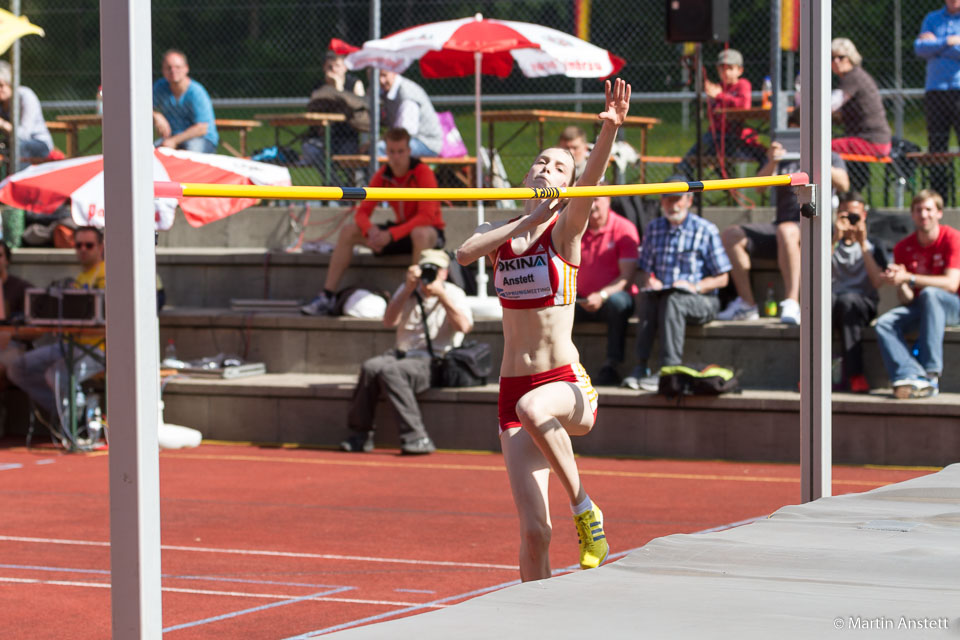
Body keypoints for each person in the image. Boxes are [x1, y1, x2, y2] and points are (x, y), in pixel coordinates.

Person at [456, 78, 631, 581]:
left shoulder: (566, 232)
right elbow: (464, 253)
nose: (548, 169)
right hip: (511, 391)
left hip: (565, 387)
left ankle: (586, 509)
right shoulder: (504, 235)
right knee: (535, 532)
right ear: (527, 173)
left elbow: (591, 181)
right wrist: (528, 216)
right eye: (542, 162)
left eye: (559, 166)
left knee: (535, 407)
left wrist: (608, 130)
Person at [339, 249, 473, 455]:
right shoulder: (407, 289)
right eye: (426, 268)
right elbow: (388, 322)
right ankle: (360, 435)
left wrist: (442, 297)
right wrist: (407, 289)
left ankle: (416, 437)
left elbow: (464, 327)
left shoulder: (454, 293)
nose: (430, 274)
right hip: (402, 354)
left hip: (434, 359)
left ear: (444, 273)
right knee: (371, 367)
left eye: (435, 270)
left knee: (393, 372)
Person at [301, 127, 446, 316]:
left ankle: (416, 295)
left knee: (420, 232)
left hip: (427, 234)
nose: (396, 157)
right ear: (386, 152)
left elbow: (426, 216)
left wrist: (390, 235)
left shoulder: (422, 172)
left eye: (400, 151)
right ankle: (327, 296)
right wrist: (371, 232)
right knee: (349, 231)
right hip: (400, 232)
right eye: (391, 152)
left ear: (409, 151)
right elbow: (362, 214)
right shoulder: (383, 175)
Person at [718, 141, 850, 324]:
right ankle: (747, 304)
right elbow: (759, 187)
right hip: (782, 228)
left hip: (815, 227)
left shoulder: (830, 155)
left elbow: (844, 184)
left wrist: (819, 161)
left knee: (786, 230)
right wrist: (773, 161)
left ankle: (792, 302)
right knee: (731, 235)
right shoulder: (784, 156)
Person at [620, 175, 731, 391]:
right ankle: (641, 367)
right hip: (663, 297)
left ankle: (668, 370)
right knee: (648, 297)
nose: (674, 204)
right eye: (668, 198)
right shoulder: (654, 229)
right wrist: (649, 280)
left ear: (689, 200)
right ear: (661, 201)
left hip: (702, 299)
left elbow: (723, 277)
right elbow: (642, 271)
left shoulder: (705, 229)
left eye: (678, 198)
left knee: (673, 300)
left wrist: (695, 287)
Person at [7, 227, 106, 427]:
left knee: (57, 374)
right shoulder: (79, 279)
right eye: (78, 245)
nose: (83, 250)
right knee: (18, 368)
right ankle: (66, 414)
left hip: (99, 348)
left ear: (101, 247)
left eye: (89, 245)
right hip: (69, 344)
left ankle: (75, 422)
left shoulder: (107, 273)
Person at [875, 190, 960, 399]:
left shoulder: (952, 238)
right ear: (912, 215)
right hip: (921, 308)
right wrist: (900, 282)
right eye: (919, 210)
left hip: (952, 306)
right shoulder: (903, 247)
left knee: (931, 294)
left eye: (929, 209)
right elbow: (907, 299)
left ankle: (931, 374)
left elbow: (950, 284)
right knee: (884, 323)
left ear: (939, 213)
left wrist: (910, 277)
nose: (924, 215)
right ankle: (911, 374)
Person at [575, 193, 639, 386]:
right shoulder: (576, 227)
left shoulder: (624, 228)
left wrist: (601, 296)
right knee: (554, 306)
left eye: (596, 199)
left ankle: (612, 365)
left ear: (608, 200)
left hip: (614, 298)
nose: (592, 205)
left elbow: (626, 277)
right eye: (588, 199)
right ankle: (557, 366)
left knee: (617, 303)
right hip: (582, 299)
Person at [676, 49, 767, 179]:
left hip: (737, 136)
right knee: (689, 161)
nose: (726, 73)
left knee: (765, 154)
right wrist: (713, 97)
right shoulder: (718, 87)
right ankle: (688, 189)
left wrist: (719, 96)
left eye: (730, 68)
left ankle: (761, 182)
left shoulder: (742, 85)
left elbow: (743, 105)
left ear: (740, 70)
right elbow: (713, 116)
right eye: (722, 69)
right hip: (716, 137)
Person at [831, 192, 887, 393]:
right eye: (845, 215)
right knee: (823, 302)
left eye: (855, 215)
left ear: (864, 216)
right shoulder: (826, 241)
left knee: (847, 301)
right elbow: (813, 275)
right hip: (832, 303)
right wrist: (835, 238)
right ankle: (810, 375)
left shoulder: (874, 244)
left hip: (863, 304)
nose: (850, 220)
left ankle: (856, 375)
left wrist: (862, 244)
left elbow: (877, 282)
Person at [915, 0, 960, 199]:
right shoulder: (932, 18)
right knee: (937, 147)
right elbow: (920, 48)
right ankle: (939, 199)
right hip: (935, 90)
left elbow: (928, 47)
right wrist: (950, 41)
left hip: (959, 89)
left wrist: (935, 43)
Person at [830, 38, 892, 159]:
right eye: (832, 58)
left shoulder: (853, 77)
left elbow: (831, 104)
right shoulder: (854, 76)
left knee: (820, 147)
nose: (836, 61)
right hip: (874, 139)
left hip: (872, 141)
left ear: (850, 57)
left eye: (841, 57)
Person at [303, 51, 369, 163]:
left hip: (348, 134)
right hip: (324, 135)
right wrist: (329, 87)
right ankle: (332, 181)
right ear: (324, 68)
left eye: (337, 66)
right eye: (329, 66)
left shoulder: (354, 83)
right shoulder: (320, 86)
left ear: (345, 68)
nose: (333, 69)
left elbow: (361, 106)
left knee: (347, 155)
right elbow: (312, 106)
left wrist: (338, 89)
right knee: (311, 150)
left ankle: (348, 180)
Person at [152, 49, 219, 153]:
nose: (173, 71)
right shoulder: (160, 87)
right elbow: (142, 107)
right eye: (169, 68)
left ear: (186, 69)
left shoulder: (196, 92)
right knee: (151, 153)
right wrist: (156, 116)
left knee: (190, 154)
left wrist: (173, 141)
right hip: (172, 139)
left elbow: (202, 128)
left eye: (177, 67)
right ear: (163, 70)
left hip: (201, 139)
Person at [376, 70, 443, 158]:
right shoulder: (385, 92)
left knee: (378, 149)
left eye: (384, 75)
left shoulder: (407, 93)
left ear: (394, 72)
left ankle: (385, 172)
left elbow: (405, 132)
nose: (381, 80)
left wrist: (381, 140)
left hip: (426, 143)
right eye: (377, 76)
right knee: (374, 148)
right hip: (408, 138)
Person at [0, 61, 53, 168]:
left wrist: (2, 124)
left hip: (38, 143)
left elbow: (24, 135)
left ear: (10, 83)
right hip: (11, 144)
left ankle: (19, 181)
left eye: (1, 85)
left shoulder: (25, 96)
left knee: (19, 146)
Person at [0, 241, 34, 388]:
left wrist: (11, 333)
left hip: (15, 346)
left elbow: (38, 330)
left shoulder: (22, 288)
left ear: (7, 260)